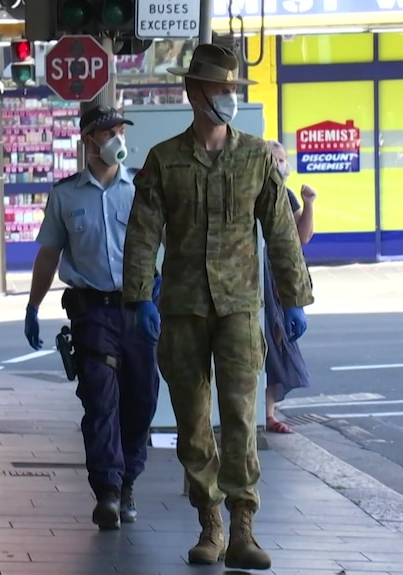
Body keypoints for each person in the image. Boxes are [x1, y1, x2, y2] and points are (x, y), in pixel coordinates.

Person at [121, 45, 314, 570]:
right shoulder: (165, 160)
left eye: (234, 90)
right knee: (191, 420)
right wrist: (139, 296)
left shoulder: (254, 157)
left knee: (239, 418)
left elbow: (279, 231)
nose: (229, 98)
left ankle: (244, 527)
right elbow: (142, 235)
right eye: (221, 90)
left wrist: (295, 296)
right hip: (182, 309)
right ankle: (210, 525)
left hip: (239, 309)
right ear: (194, 93)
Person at [24, 106, 161, 531]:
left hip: (138, 308)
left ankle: (128, 482)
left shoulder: (141, 187)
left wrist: (163, 297)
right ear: (89, 141)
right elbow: (49, 253)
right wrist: (32, 305)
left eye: (120, 131)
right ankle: (106, 489)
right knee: (100, 401)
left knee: (141, 401)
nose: (117, 139)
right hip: (92, 313)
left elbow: (169, 244)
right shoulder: (65, 195)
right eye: (109, 132)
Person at [264, 140, 317, 433]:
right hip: (256, 275)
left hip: (279, 279)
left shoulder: (286, 196)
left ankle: (269, 413)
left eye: (284, 160)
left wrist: (309, 203)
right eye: (277, 160)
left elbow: (302, 236)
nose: (283, 165)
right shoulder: (256, 193)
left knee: (278, 342)